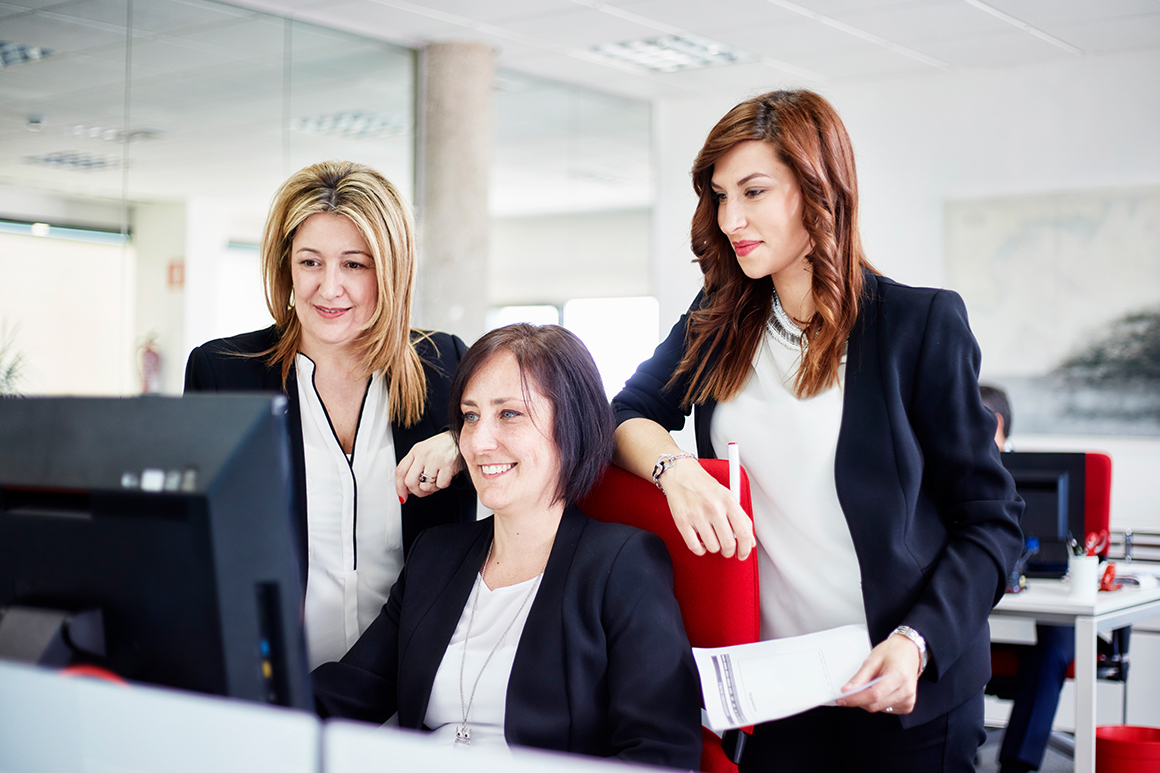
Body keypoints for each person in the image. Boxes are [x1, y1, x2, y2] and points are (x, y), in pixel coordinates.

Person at [612, 90, 1024, 771]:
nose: (731, 217)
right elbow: (623, 414)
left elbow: (994, 521)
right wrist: (675, 471)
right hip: (776, 690)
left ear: (816, 189)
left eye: (753, 191)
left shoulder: (916, 327)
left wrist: (918, 641)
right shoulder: (718, 319)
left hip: (901, 691)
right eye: (719, 195)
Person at [311, 324, 702, 768]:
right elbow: (346, 692)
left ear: (571, 424)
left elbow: (662, 753)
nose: (478, 443)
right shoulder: (434, 556)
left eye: (509, 414)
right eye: (470, 415)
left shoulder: (622, 564)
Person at [184, 160, 476, 668]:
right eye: (310, 262)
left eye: (355, 264)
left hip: (410, 684)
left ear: (390, 270)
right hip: (275, 684)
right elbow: (193, 544)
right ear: (287, 267)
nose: (329, 287)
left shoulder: (444, 364)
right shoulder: (223, 373)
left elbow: (554, 434)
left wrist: (462, 440)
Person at [982, 384, 1072, 773]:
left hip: (1051, 598)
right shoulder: (946, 468)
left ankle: (1018, 763)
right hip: (979, 599)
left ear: (996, 424)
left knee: (1057, 640)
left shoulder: (1041, 475)